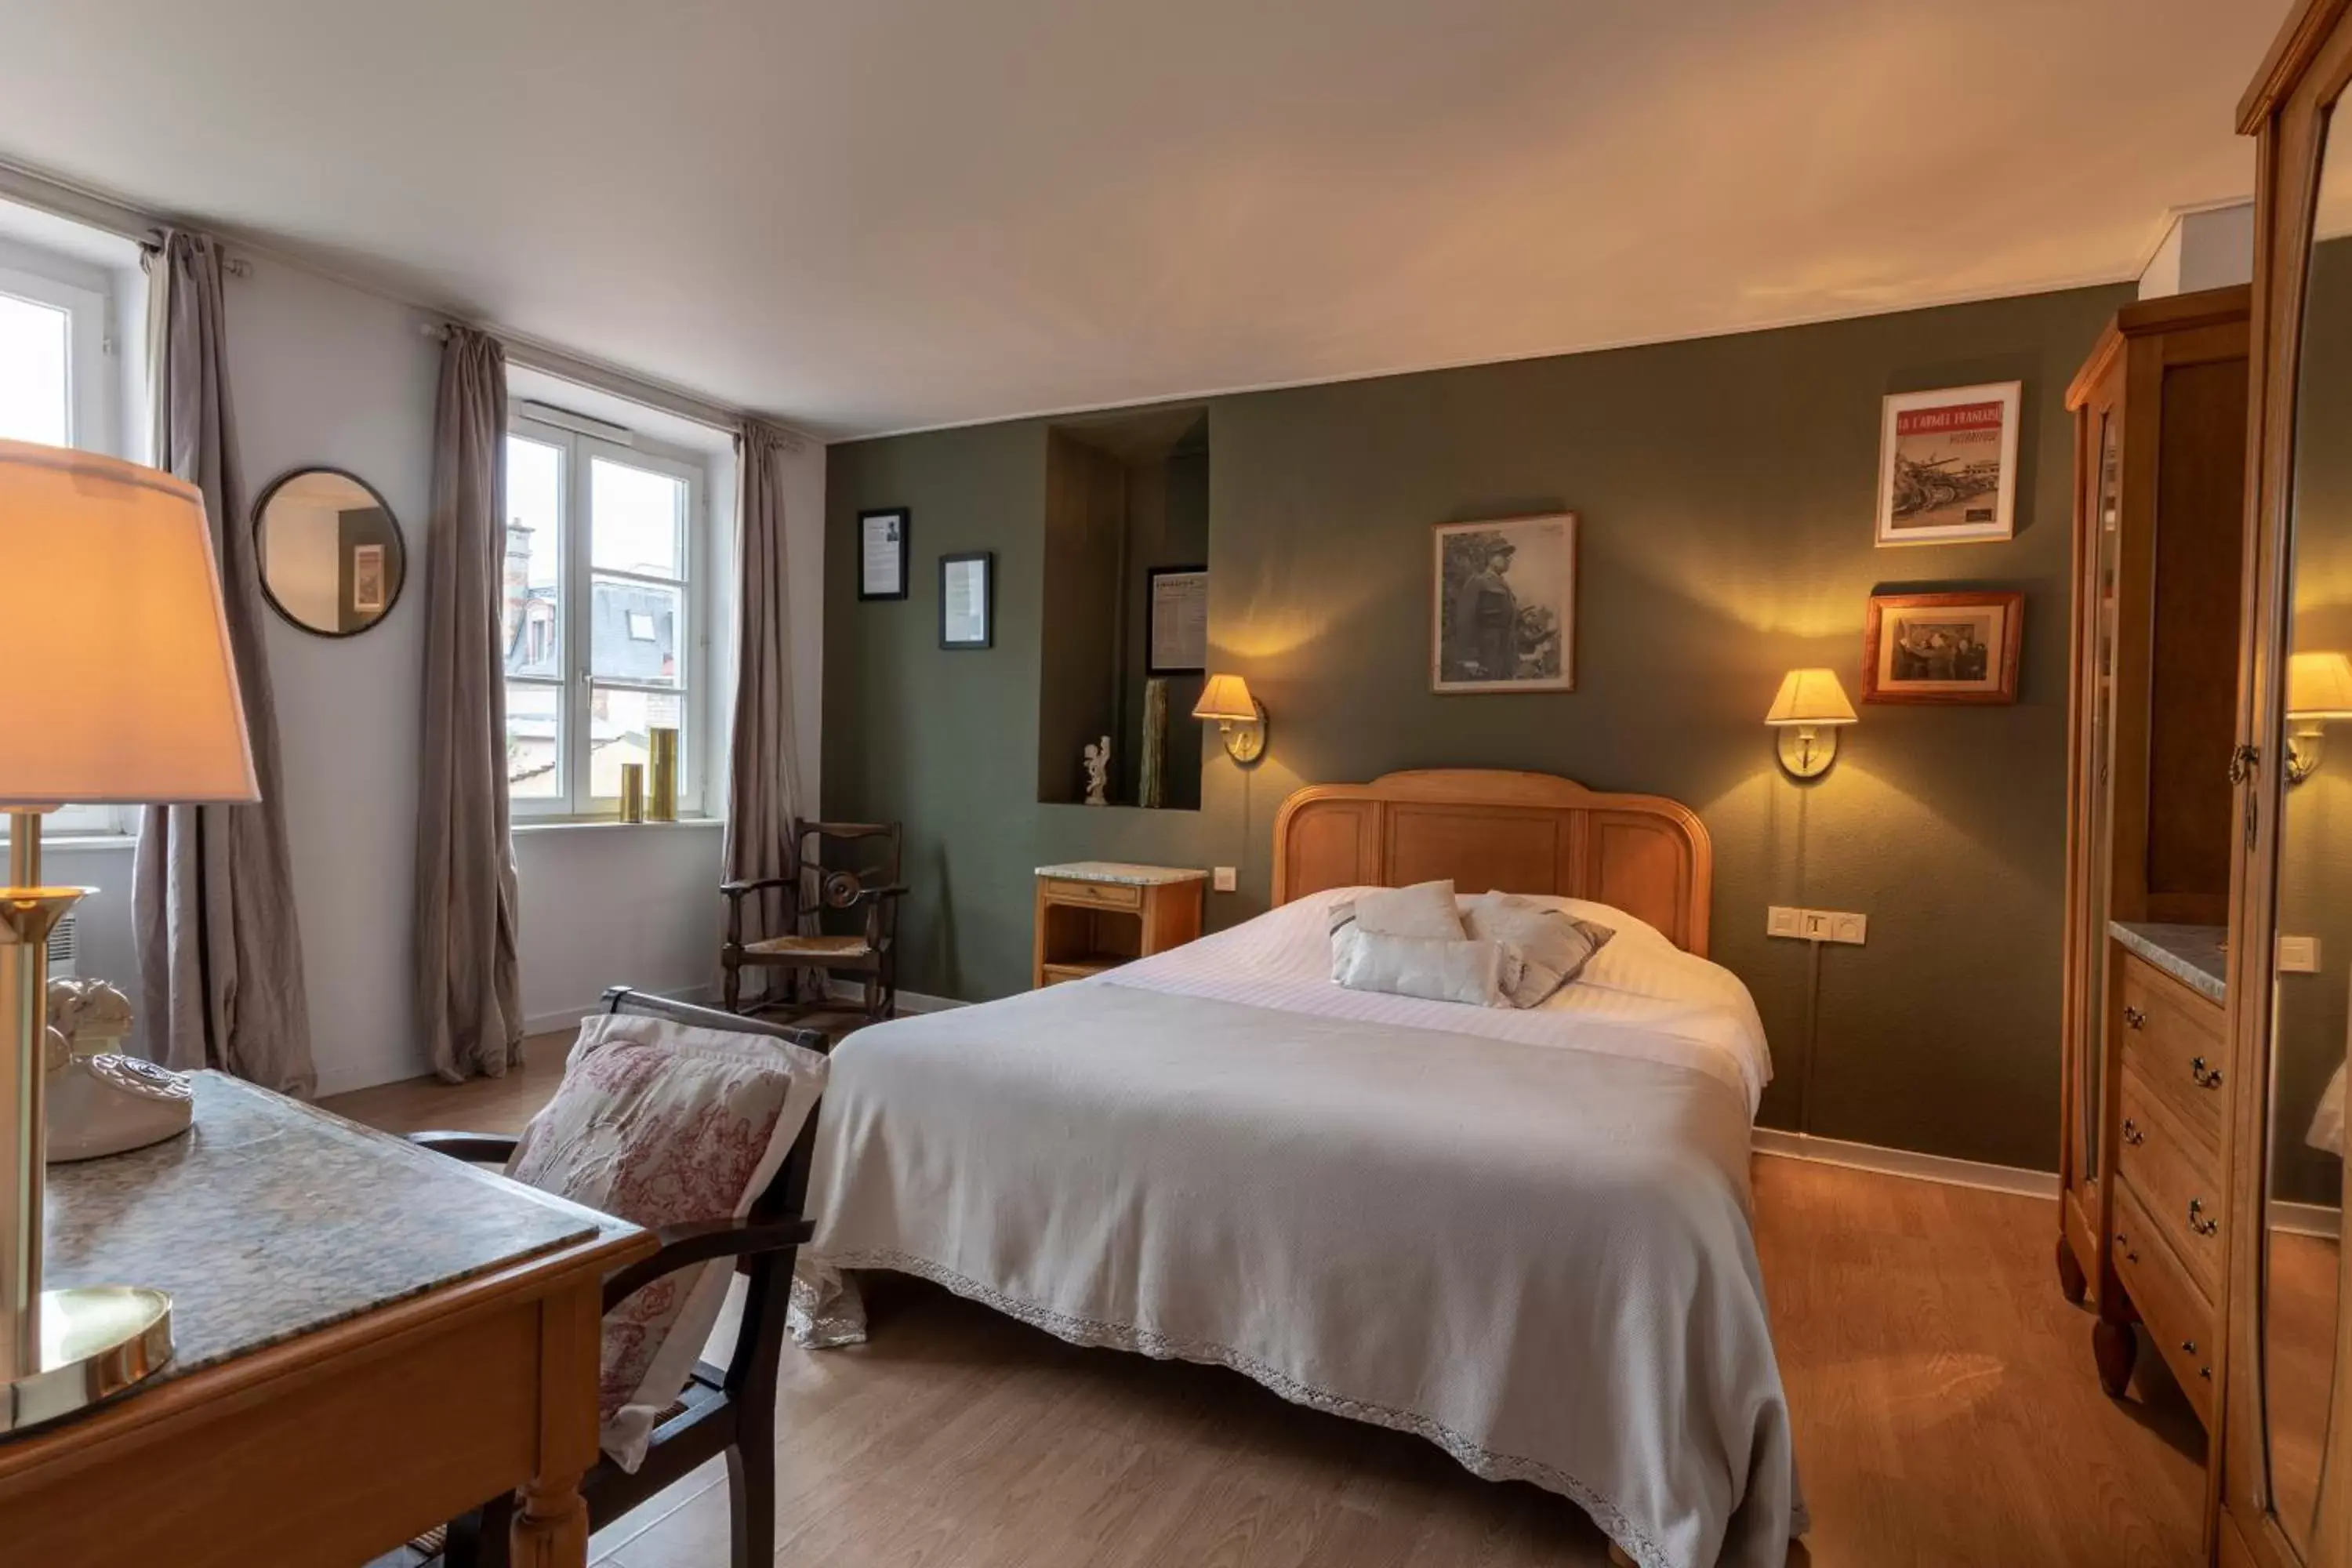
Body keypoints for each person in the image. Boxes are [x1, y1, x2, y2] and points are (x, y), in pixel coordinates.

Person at [1450, 539, 1519, 681]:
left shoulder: (1504, 585)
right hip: (1485, 652)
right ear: (1490, 558)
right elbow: (1465, 621)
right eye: (1503, 555)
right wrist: (1470, 659)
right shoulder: (1478, 582)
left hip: (1504, 652)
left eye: (1509, 556)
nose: (1508, 559)